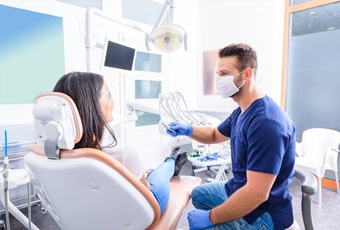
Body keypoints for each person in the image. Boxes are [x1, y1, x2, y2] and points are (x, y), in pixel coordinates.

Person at [167, 43, 296, 230]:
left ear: (247, 74)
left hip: (262, 212)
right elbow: (213, 134)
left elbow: (256, 194)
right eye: (218, 74)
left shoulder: (266, 124)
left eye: (225, 74)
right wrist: (188, 130)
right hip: (238, 187)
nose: (219, 80)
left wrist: (211, 218)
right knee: (197, 195)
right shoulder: (241, 111)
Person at [53, 71, 188, 214]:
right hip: (141, 213)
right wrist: (142, 177)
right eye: (109, 96)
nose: (113, 101)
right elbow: (146, 194)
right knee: (162, 172)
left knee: (150, 171)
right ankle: (171, 162)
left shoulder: (54, 155)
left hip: (91, 214)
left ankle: (161, 166)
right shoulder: (123, 155)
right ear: (92, 105)